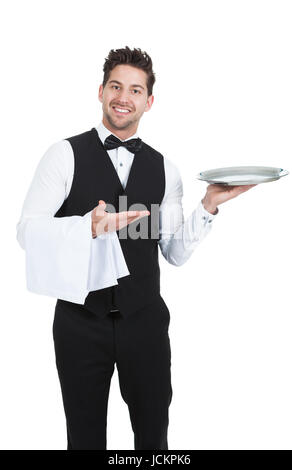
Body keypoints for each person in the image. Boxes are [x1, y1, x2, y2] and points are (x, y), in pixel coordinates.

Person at [16, 46, 256, 450]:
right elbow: (27, 231)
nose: (123, 98)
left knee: (153, 438)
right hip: (79, 322)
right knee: (84, 438)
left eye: (134, 90)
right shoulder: (63, 155)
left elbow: (175, 253)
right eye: (115, 86)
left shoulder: (166, 169)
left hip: (144, 322)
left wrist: (209, 205)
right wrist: (85, 228)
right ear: (100, 91)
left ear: (149, 100)